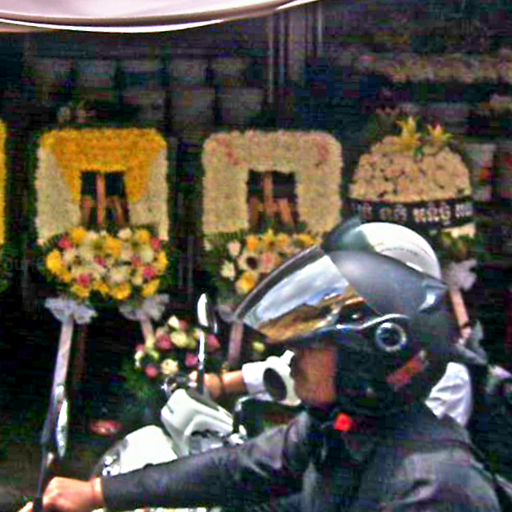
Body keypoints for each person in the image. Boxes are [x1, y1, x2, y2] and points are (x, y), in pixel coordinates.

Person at [23, 221, 500, 512]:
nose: (294, 359)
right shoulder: (343, 428)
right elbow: (241, 468)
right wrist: (100, 493)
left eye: (313, 346)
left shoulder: (433, 489)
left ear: (370, 358)